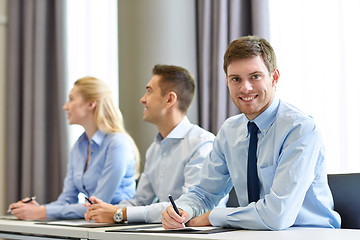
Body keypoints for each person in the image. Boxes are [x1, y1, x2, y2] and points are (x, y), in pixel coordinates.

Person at [161, 36, 341, 230]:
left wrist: (212, 216)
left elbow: (277, 215)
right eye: (236, 79)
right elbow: (205, 192)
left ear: (274, 77)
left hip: (309, 234)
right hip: (252, 233)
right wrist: (182, 210)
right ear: (227, 82)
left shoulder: (301, 129)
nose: (245, 88)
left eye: (255, 76)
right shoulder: (229, 131)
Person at [84, 64, 223, 224]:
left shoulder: (202, 144)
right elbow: (140, 201)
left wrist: (121, 213)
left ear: (170, 99)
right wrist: (107, 209)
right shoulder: (155, 149)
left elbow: (185, 209)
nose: (142, 99)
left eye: (149, 91)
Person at [8, 76, 139, 220]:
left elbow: (99, 204)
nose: (65, 106)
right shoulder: (79, 146)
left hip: (118, 227)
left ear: (91, 104)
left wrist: (43, 212)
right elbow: (66, 199)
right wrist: (37, 209)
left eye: (71, 99)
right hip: (94, 225)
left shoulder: (117, 144)